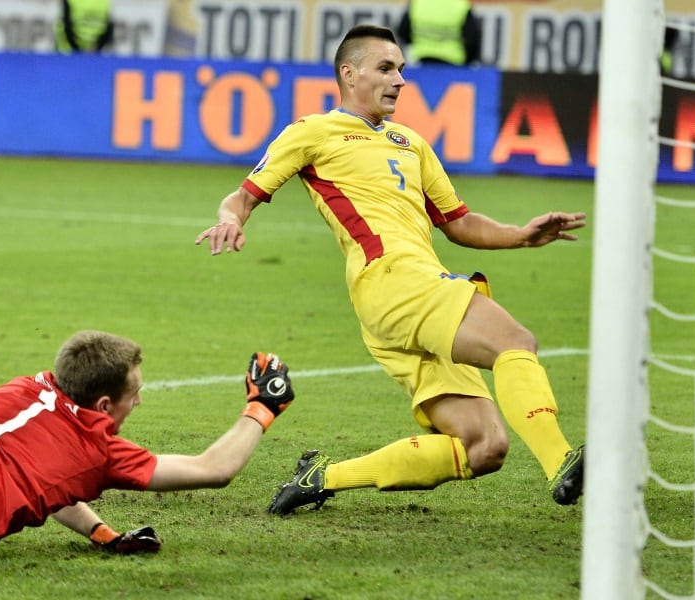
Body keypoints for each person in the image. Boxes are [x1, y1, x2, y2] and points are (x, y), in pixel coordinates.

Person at [195, 24, 586, 516]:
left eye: (401, 69)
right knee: (515, 342)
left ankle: (322, 478)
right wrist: (229, 220)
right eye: (385, 68)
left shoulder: (411, 143)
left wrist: (522, 235)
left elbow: (458, 222)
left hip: (407, 295)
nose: (399, 79)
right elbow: (243, 195)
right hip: (393, 281)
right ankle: (561, 461)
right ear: (349, 73)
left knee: (484, 447)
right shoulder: (312, 132)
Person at [0, 330, 295, 556]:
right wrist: (262, 408)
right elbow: (214, 469)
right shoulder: (96, 452)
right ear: (103, 405)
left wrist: (103, 534)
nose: (138, 402)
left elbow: (46, 483)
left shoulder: (25, 387)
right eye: (133, 394)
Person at [396, 0, 482, 66]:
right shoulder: (460, 5)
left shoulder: (418, 3)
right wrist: (468, 63)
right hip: (453, 63)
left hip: (421, 60)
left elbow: (403, 32)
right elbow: (472, 39)